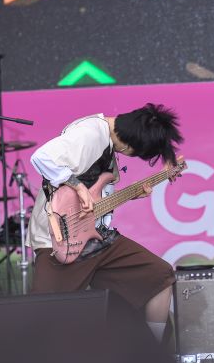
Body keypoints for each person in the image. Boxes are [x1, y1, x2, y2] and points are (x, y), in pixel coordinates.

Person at [27, 105, 183, 341]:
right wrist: (78, 186)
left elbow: (95, 199)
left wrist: (133, 194)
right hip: (60, 240)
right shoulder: (90, 134)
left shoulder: (107, 141)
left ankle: (154, 352)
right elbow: (42, 158)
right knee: (42, 321)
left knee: (159, 276)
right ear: (131, 146)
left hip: (97, 238)